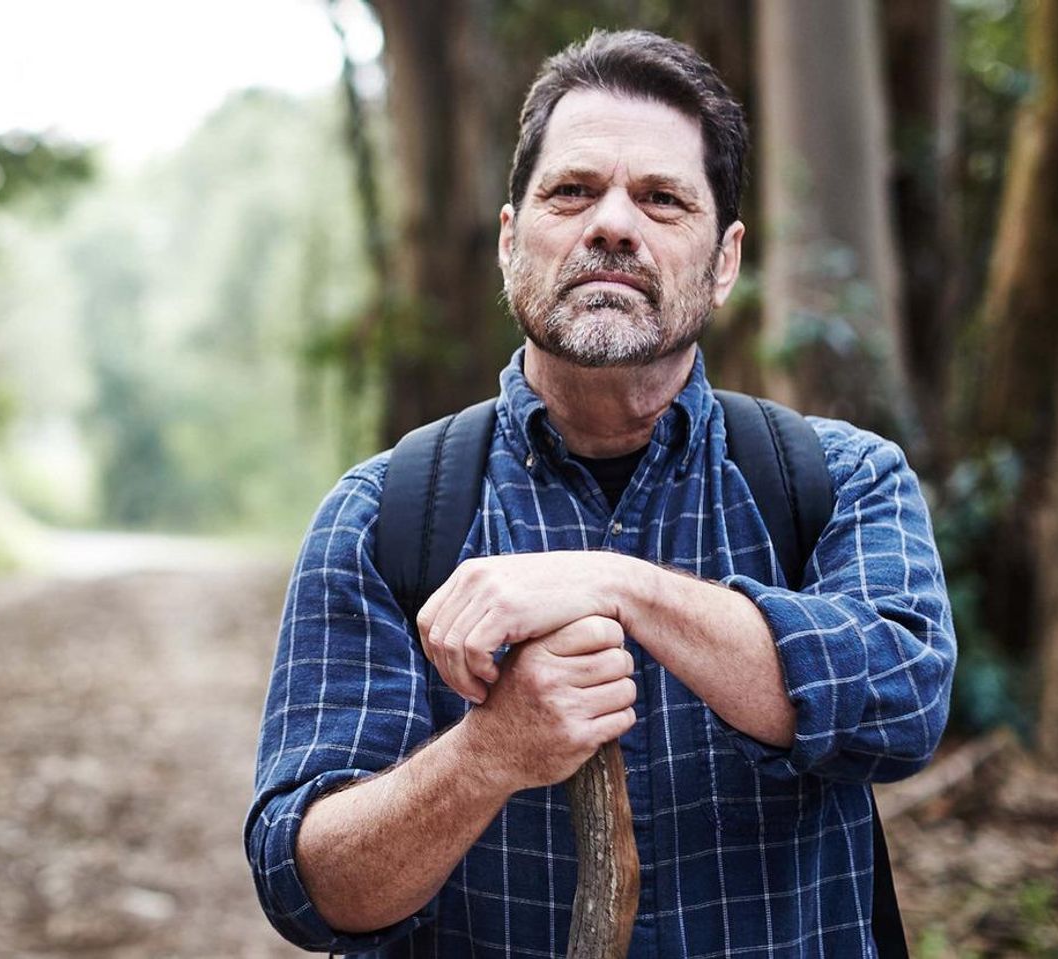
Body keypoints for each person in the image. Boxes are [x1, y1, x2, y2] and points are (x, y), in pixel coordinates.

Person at [246, 29, 956, 957]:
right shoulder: (386, 514)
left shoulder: (839, 478)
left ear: (726, 259)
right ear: (511, 240)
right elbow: (304, 886)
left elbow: (904, 706)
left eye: (662, 199)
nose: (613, 224)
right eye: (572, 191)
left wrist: (618, 584)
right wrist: (487, 754)